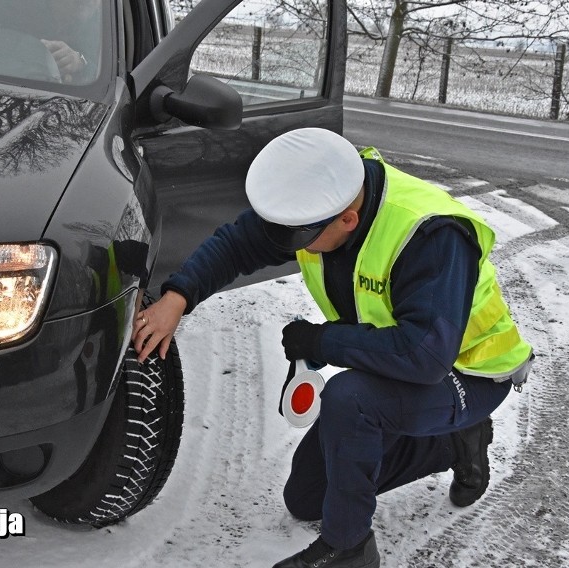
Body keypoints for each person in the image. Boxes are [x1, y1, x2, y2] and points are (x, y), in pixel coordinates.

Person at [132, 128, 534, 568]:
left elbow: (424, 356)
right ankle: (450, 445)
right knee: (307, 499)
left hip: (465, 373)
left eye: (296, 237)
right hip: (398, 359)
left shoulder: (431, 235)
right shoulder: (317, 201)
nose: (285, 243)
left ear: (348, 220)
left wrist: (322, 341)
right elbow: (237, 244)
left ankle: (351, 548)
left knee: (350, 400)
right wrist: (178, 296)